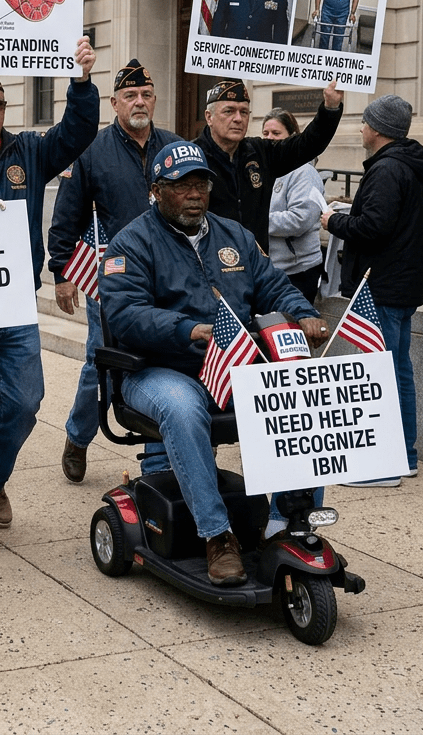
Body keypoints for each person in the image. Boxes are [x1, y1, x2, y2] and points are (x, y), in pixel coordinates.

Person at [100, 141, 327, 585]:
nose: (194, 193)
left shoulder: (235, 236)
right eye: (182, 184)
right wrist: (188, 330)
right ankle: (216, 535)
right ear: (156, 191)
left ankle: (286, 521)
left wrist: (303, 313)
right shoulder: (131, 242)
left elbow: (272, 286)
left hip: (229, 366)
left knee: (300, 392)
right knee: (183, 408)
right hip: (158, 370)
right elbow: (125, 315)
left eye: (201, 183)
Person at [0, 45, 99, 553]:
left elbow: (75, 134)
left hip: (13, 304)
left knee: (26, 402)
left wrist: (79, 80)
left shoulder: (29, 152)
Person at [47, 59, 183, 483]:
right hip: (113, 279)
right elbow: (67, 213)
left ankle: (158, 460)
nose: (139, 101)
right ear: (115, 103)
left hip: (171, 277)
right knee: (98, 364)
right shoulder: (91, 149)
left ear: (154, 99)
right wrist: (62, 270)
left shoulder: (175, 147)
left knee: (169, 363)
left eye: (145, 94)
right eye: (130, 95)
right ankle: (78, 436)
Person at [322, 94, 423, 487]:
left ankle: (387, 464)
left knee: (382, 373)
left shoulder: (388, 169)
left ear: (379, 128)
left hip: (382, 285)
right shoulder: (408, 165)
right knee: (397, 369)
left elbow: (374, 228)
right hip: (399, 283)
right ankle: (405, 454)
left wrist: (333, 221)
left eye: (366, 122)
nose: (361, 128)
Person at [195, 77, 343, 253]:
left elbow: (306, 145)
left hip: (255, 263)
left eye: (244, 112)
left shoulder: (259, 152)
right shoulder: (193, 157)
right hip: (210, 264)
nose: (238, 119)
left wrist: (330, 108)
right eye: (229, 111)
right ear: (209, 117)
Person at [261, 109, 325, 304]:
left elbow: (300, 220)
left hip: (298, 273)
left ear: (292, 137)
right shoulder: (263, 167)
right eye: (265, 133)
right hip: (269, 270)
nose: (269, 138)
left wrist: (257, 220)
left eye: (276, 133)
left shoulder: (304, 172)